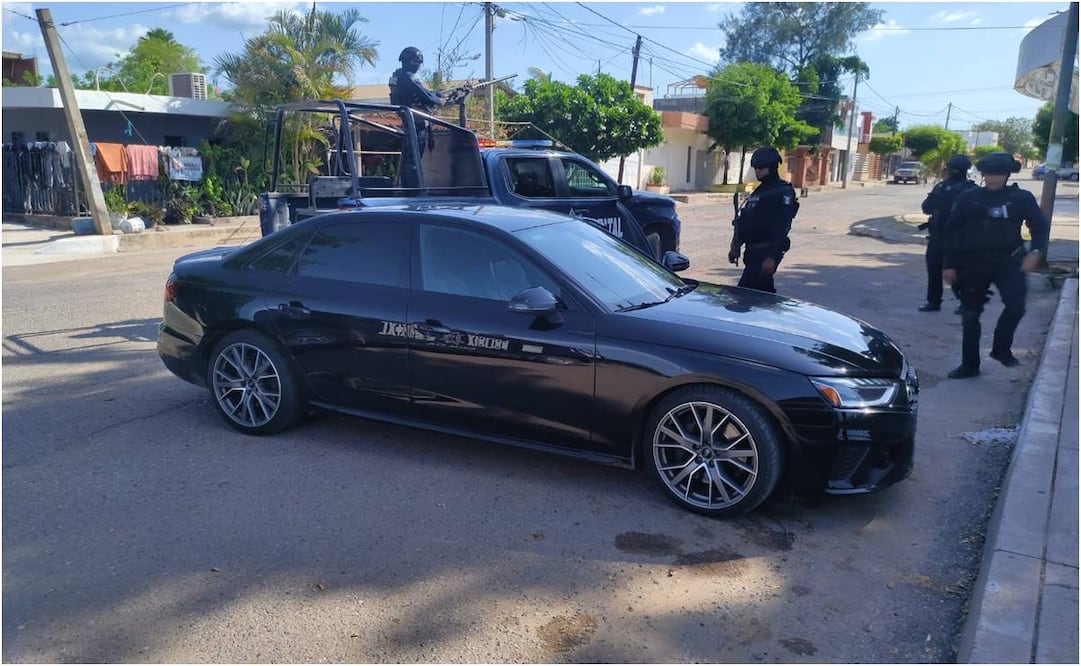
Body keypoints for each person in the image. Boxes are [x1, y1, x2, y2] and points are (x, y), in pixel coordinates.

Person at [942, 151, 1049, 379]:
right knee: (970, 315)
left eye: (998, 174)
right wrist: (949, 264)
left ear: (1007, 175)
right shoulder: (969, 198)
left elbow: (1039, 227)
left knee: (1016, 306)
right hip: (973, 263)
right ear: (983, 174)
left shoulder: (1021, 198)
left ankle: (1001, 348)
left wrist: (1036, 252)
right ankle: (970, 365)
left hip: (1009, 261)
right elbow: (952, 231)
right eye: (989, 173)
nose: (993, 178)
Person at [728, 147, 799, 293]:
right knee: (761, 294)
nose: (757, 171)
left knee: (744, 295)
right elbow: (746, 220)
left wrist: (772, 256)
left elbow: (782, 226)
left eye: (761, 167)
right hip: (752, 252)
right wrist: (735, 244)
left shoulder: (782, 192)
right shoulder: (759, 191)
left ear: (772, 167)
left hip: (766, 252)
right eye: (755, 168)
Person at [918, 154, 979, 313]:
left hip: (946, 236)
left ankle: (935, 302)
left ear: (949, 169)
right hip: (956, 237)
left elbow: (926, 208)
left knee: (937, 269)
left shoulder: (942, 187)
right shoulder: (972, 189)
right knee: (956, 271)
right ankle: (962, 303)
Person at [388, 47, 444, 114]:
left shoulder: (396, 75)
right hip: (416, 116)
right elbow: (423, 93)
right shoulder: (409, 77)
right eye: (416, 62)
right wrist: (438, 100)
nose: (418, 65)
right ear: (407, 61)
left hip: (405, 115)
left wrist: (434, 94)